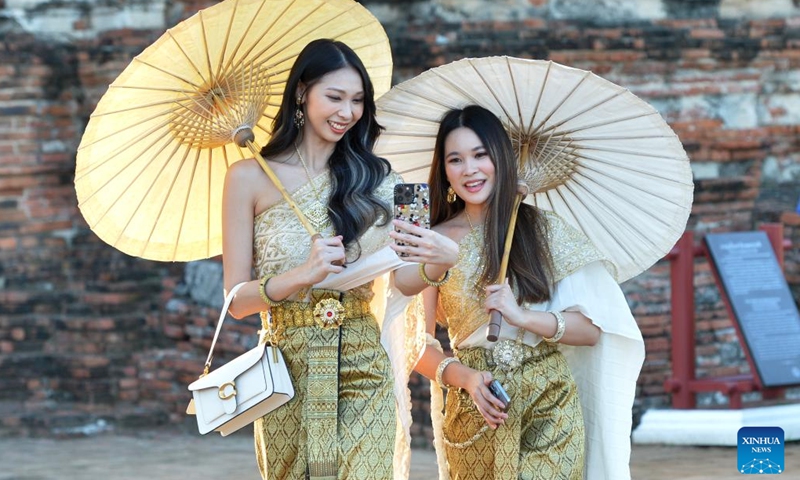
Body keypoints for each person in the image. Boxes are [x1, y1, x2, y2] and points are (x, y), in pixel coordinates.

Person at [221, 39, 434, 480]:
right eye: (334, 97)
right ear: (302, 93)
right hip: (285, 368)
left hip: (361, 360)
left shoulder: (379, 178)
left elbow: (411, 280)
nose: (347, 112)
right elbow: (236, 302)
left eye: (357, 101)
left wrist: (436, 258)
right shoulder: (247, 178)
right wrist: (304, 275)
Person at [397, 105, 645, 479]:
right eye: (456, 159)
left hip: (550, 404)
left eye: (481, 155)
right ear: (444, 171)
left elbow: (592, 330)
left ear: (500, 158)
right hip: (475, 409)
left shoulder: (540, 229)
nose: (470, 169)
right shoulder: (434, 242)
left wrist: (522, 316)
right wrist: (464, 377)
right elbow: (415, 343)